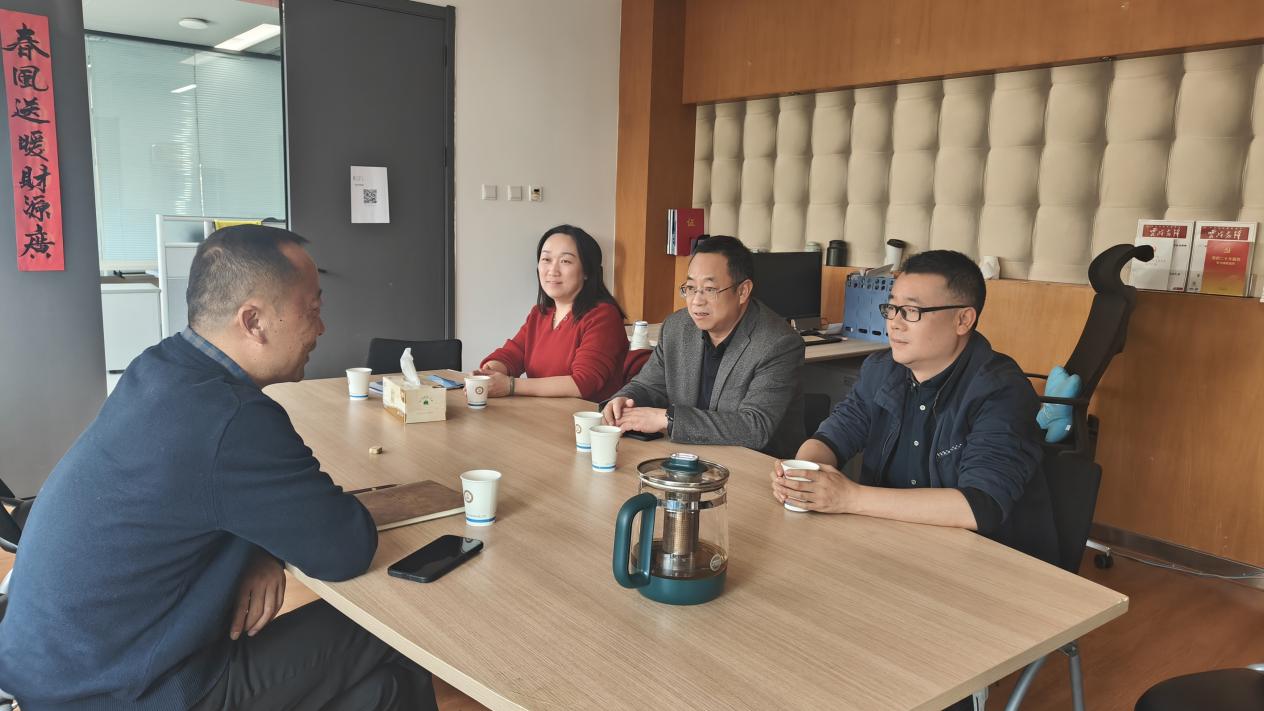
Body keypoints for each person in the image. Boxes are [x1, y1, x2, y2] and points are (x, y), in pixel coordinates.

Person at [0, 225, 438, 711]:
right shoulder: (231, 417)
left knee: (382, 689)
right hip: (127, 689)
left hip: (52, 666)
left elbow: (203, 493)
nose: (322, 328)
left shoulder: (159, 366)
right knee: (398, 626)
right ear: (253, 321)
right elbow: (345, 548)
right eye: (312, 310)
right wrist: (269, 541)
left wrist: (262, 548)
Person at [770, 249, 1058, 565]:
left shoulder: (1000, 390)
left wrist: (850, 497)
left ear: (963, 319)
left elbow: (979, 506)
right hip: (892, 547)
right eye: (892, 308)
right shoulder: (881, 370)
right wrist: (802, 475)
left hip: (986, 564)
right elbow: (834, 435)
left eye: (911, 311)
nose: (894, 323)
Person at [603, 235, 805, 457]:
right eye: (690, 288)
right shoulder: (676, 327)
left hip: (755, 465)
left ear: (743, 291)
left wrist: (667, 419)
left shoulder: (778, 343)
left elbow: (754, 427)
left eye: (709, 289)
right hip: (686, 456)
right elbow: (649, 386)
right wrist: (623, 399)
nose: (696, 301)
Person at [477, 224, 629, 402]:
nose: (552, 270)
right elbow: (513, 354)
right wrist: (490, 371)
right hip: (543, 412)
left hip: (585, 417)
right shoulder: (540, 314)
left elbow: (583, 383)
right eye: (546, 259)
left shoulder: (603, 315)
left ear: (587, 271)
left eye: (565, 261)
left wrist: (510, 385)